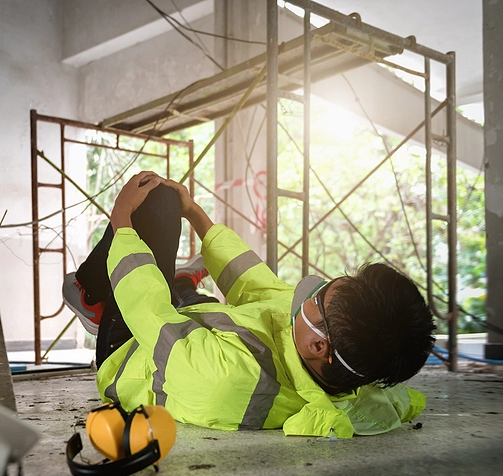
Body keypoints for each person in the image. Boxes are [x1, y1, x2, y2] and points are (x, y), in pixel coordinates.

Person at [63, 171, 435, 437]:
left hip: (134, 348)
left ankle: (91, 298)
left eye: (318, 296)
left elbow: (148, 310)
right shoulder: (358, 365)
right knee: (202, 300)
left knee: (157, 203)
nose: (306, 293)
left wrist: (121, 223)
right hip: (195, 333)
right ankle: (183, 286)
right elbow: (261, 288)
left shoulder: (227, 376)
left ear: (319, 345)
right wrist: (195, 213)